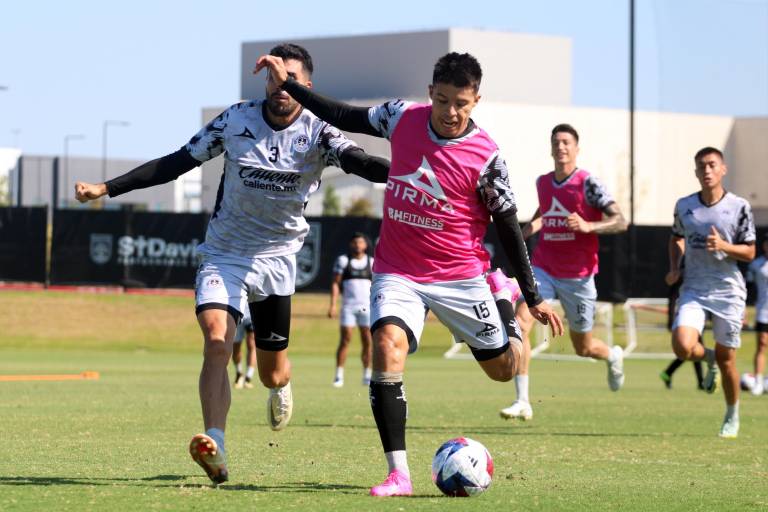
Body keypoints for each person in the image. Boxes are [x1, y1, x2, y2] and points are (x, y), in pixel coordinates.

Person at [75, 43, 391, 484]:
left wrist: (416, 176)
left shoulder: (319, 132)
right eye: (275, 78)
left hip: (277, 260)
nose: (282, 87)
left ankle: (281, 385)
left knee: (272, 372)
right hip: (225, 253)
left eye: (292, 80)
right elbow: (175, 163)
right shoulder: (236, 119)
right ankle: (216, 444)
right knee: (217, 341)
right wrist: (107, 188)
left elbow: (363, 163)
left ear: (307, 85)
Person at [256, 51, 563, 497]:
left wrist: (531, 296)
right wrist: (289, 84)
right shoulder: (401, 117)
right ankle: (398, 474)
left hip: (461, 277)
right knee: (386, 345)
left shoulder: (487, 157)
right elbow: (344, 115)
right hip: (397, 270)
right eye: (442, 100)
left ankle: (502, 299)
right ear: (430, 93)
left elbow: (508, 227)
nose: (450, 112)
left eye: (461, 103)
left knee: (504, 369)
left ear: (476, 100)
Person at [499, 124, 628, 422]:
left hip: (578, 276)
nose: (561, 147)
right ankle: (522, 400)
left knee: (584, 347)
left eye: (566, 142)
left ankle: (612, 355)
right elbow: (546, 213)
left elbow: (620, 221)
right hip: (543, 268)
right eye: (556, 142)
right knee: (521, 321)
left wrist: (589, 225)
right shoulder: (543, 182)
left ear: (576, 148)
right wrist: (524, 232)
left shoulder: (588, 183)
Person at [667, 146, 755, 438]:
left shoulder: (739, 206)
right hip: (694, 288)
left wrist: (724, 246)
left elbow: (750, 251)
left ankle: (732, 414)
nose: (707, 170)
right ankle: (709, 358)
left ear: (723, 169)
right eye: (701, 166)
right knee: (682, 346)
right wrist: (675, 267)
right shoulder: (685, 206)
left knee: (728, 360)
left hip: (728, 292)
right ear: (695, 171)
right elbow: (676, 238)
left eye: (712, 165)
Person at [328, 232, 374, 388]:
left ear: (365, 245)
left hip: (367, 307)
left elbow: (377, 284)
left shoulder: (371, 262)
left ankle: (367, 375)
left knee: (367, 341)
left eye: (360, 242)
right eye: (355, 242)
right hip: (348, 307)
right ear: (350, 244)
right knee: (345, 339)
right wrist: (333, 305)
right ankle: (338, 376)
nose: (357, 245)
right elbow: (335, 283)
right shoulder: (343, 260)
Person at [659, 261, 705, 390]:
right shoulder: (682, 274)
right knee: (694, 348)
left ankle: (668, 373)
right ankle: (700, 382)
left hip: (694, 316)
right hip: (684, 318)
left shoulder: (699, 275)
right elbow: (672, 297)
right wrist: (671, 320)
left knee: (691, 349)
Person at [745, 236, 768, 395]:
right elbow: (748, 287)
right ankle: (758, 381)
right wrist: (744, 308)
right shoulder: (756, 264)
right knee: (762, 344)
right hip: (763, 311)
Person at [232, 308, 256, 389]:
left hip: (251, 313)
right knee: (236, 347)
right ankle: (239, 373)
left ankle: (248, 377)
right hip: (236, 311)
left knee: (251, 343)